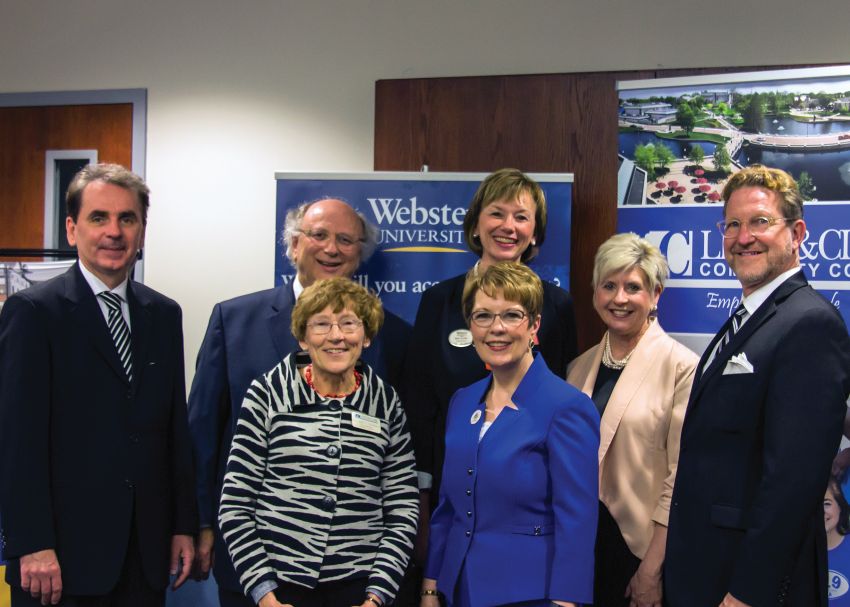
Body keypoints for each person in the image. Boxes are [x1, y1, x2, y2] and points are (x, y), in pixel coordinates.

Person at [187, 198, 411, 606]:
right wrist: (199, 524)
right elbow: (202, 432)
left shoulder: (394, 335)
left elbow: (396, 480)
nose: (332, 249)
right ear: (293, 245)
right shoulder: (233, 319)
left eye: (346, 240)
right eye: (319, 235)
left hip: (354, 575)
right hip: (253, 564)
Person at [0, 164, 197, 606]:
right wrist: (32, 542)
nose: (114, 232)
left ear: (142, 232)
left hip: (144, 556)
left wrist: (182, 525)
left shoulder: (164, 315)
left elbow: (173, 430)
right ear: (72, 229)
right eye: (98, 218)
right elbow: (17, 441)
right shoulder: (33, 312)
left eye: (127, 218)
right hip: (57, 561)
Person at [664, 165, 850, 607]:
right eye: (732, 224)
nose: (743, 237)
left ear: (796, 233)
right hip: (705, 569)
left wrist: (748, 592)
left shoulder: (810, 323)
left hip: (749, 587)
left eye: (760, 221)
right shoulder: (749, 318)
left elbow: (793, 481)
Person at [403, 168, 578, 558]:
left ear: (535, 233)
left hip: (530, 502)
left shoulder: (557, 306)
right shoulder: (439, 301)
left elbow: (562, 401)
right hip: (450, 494)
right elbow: (419, 405)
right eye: (497, 213)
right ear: (476, 224)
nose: (508, 226)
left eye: (521, 217)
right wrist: (422, 499)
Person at [218, 277, 418, 607]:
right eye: (321, 324)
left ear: (367, 336)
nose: (336, 336)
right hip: (279, 586)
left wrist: (377, 597)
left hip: (358, 587)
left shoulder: (385, 402)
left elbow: (403, 508)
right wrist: (264, 595)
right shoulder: (267, 394)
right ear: (302, 337)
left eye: (349, 323)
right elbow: (235, 505)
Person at [421, 262, 598, 607]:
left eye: (512, 315)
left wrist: (565, 602)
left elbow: (577, 521)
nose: (496, 328)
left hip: (531, 594)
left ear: (534, 325)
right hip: (458, 590)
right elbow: (449, 508)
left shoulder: (567, 407)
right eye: (483, 316)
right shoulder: (462, 401)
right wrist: (430, 586)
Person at [567, 233, 698, 607]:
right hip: (579, 547)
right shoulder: (577, 368)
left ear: (655, 295)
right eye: (609, 285)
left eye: (633, 287)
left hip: (639, 554)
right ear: (595, 293)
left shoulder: (682, 369)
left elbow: (681, 478)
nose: (619, 298)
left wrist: (651, 570)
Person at [825, 477, 850, 605]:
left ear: (840, 506)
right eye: (815, 505)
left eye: (827, 503)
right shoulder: (797, 550)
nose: (821, 512)